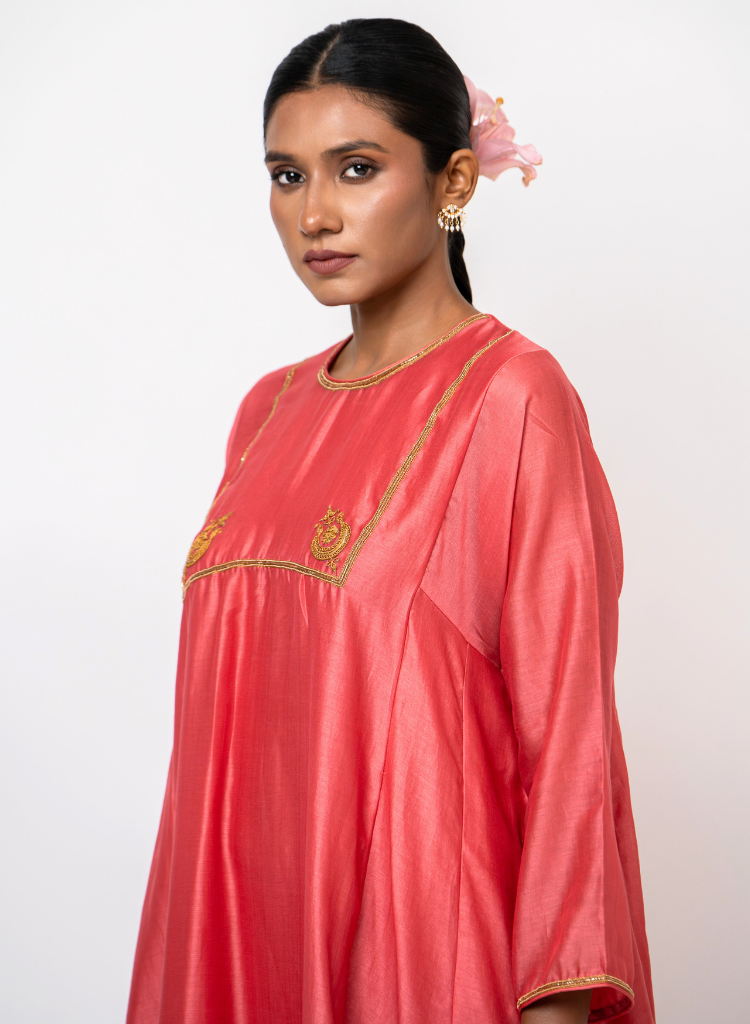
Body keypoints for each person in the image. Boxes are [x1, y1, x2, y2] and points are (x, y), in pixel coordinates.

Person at [127, 18, 654, 1024]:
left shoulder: (513, 397)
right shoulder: (267, 410)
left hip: (422, 958)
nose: (315, 213)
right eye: (287, 176)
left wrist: (556, 998)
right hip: (237, 943)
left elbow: (569, 738)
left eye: (356, 168)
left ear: (453, 181)